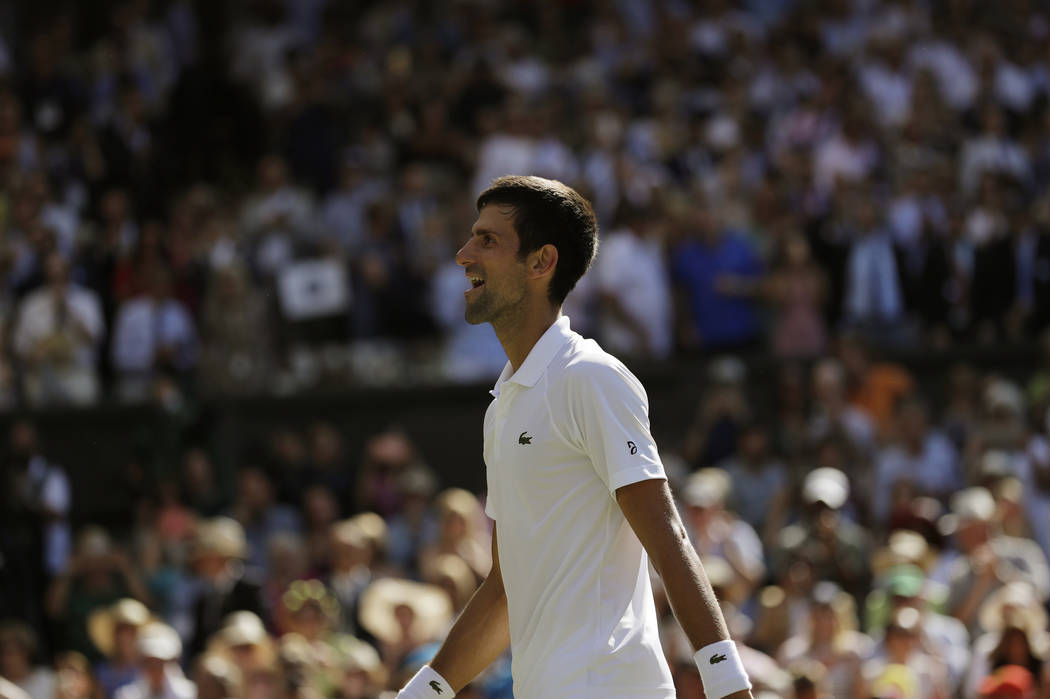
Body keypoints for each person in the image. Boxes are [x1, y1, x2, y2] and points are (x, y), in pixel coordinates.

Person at [396, 176, 752, 698]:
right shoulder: (503, 407)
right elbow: (505, 589)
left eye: (487, 240)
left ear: (542, 262)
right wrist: (418, 694)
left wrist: (729, 685)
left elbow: (668, 537)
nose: (463, 254)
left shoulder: (591, 377)